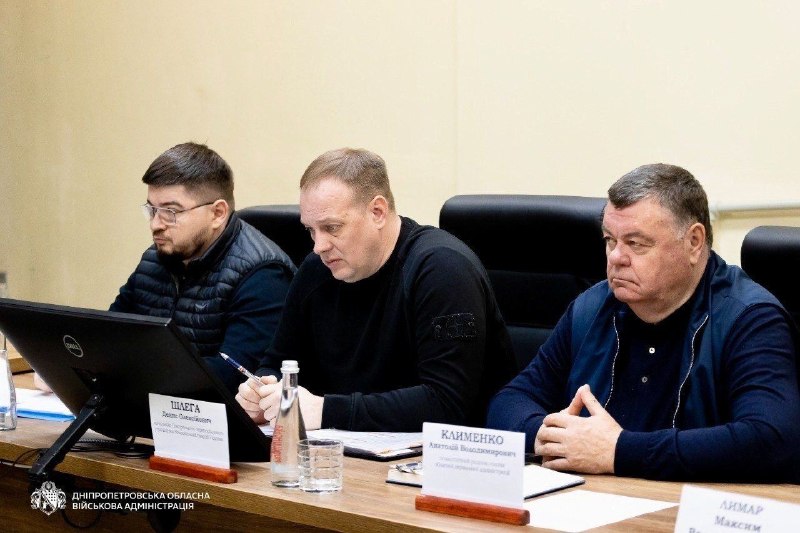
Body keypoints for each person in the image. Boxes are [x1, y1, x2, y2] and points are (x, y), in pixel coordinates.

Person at [487, 163, 800, 482]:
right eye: (610, 240)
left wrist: (618, 450)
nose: (616, 257)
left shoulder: (749, 318)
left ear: (694, 242)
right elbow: (509, 402)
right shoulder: (591, 308)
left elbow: (772, 440)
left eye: (636, 244)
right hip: (596, 501)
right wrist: (547, 435)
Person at [235, 148, 515, 432]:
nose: (319, 246)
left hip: (452, 452)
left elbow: (447, 403)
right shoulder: (316, 269)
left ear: (377, 212)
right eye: (310, 230)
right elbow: (279, 361)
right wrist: (263, 393)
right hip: (346, 448)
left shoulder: (443, 269)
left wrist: (326, 411)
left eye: (332, 227)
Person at [109, 142, 296, 392]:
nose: (155, 224)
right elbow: (111, 335)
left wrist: (132, 371)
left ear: (218, 213)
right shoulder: (156, 258)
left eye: (170, 211)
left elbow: (233, 376)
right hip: (155, 403)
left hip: (216, 413)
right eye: (152, 209)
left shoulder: (263, 274)